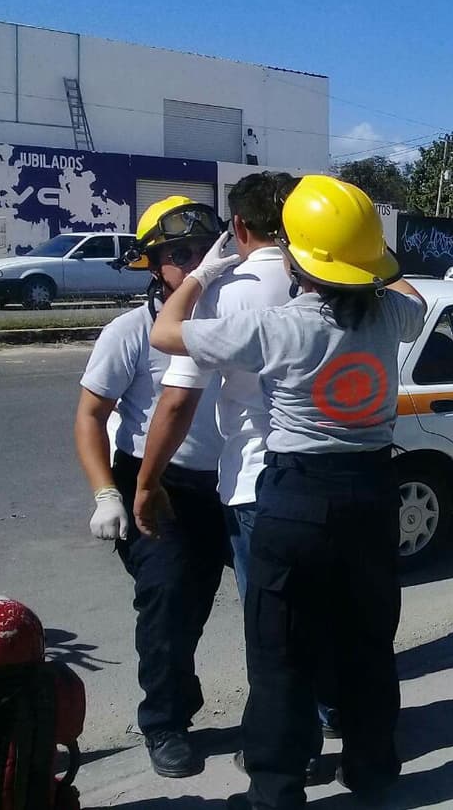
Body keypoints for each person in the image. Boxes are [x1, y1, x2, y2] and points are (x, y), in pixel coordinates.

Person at [146, 175, 426, 810]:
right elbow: (402, 286)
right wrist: (372, 255)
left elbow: (167, 333)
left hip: (297, 498)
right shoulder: (392, 314)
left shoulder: (276, 327)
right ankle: (373, 770)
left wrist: (200, 275)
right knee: (368, 642)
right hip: (372, 493)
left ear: (297, 254)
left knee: (281, 651)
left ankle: (276, 790)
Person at [134, 172, 343, 751]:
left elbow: (176, 399)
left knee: (273, 635)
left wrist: (146, 483)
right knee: (324, 613)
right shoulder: (337, 283)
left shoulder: (228, 294)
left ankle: (289, 753)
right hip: (333, 476)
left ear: (238, 227)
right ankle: (338, 717)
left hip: (258, 487)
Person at [73, 196, 225, 778]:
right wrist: (106, 493)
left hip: (229, 486)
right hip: (155, 488)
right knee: (168, 605)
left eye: (204, 250)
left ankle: (298, 704)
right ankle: (165, 721)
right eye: (178, 254)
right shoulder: (131, 332)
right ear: (152, 265)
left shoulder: (235, 318)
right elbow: (90, 417)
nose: (194, 264)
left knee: (260, 598)